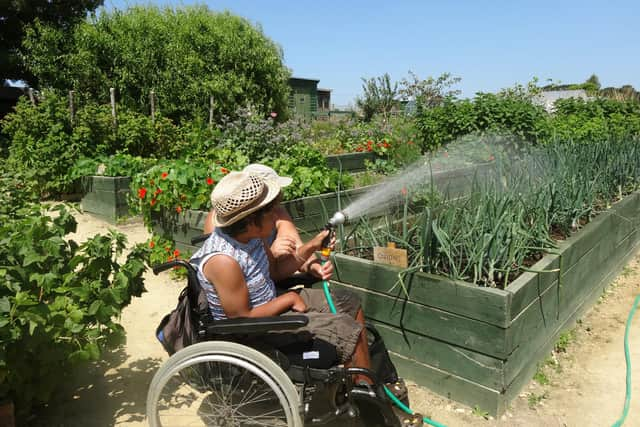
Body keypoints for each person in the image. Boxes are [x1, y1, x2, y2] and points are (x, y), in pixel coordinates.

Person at [190, 171, 372, 382]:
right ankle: (365, 398)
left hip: (271, 302)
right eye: (270, 211)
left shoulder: (251, 237)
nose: (277, 215)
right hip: (258, 329)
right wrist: (289, 298)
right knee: (347, 329)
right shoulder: (224, 261)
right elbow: (242, 318)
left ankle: (366, 382)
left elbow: (275, 271)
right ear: (251, 220)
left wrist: (312, 245)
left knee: (349, 301)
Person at [203, 164, 330, 281]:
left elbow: (297, 246)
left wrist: (313, 266)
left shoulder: (274, 213)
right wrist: (271, 255)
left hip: (269, 283)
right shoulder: (222, 228)